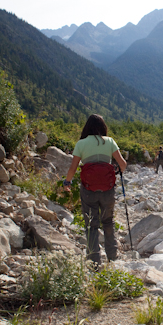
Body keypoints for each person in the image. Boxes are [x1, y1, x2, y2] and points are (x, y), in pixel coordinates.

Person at [63, 114, 127, 266]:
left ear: (87, 127)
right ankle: (112, 258)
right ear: (103, 127)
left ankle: (94, 262)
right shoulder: (110, 141)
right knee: (108, 221)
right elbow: (123, 165)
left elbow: (73, 168)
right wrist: (115, 171)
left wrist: (67, 182)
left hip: (88, 190)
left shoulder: (81, 143)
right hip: (108, 189)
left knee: (91, 225)